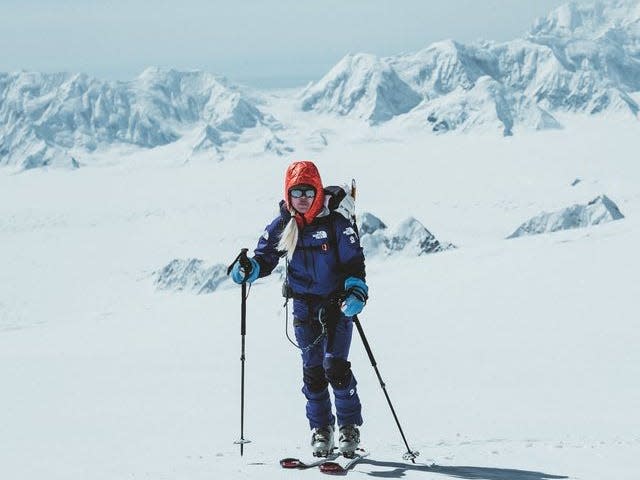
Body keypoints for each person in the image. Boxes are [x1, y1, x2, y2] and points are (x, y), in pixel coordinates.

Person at [230, 160, 369, 457]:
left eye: (308, 191)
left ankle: (348, 428)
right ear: (288, 194)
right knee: (313, 372)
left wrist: (356, 291)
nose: (303, 198)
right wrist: (248, 269)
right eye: (297, 193)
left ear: (317, 190)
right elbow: (264, 258)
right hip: (304, 307)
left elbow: (355, 261)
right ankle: (321, 429)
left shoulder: (336, 223)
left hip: (336, 306)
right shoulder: (283, 223)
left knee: (336, 368)